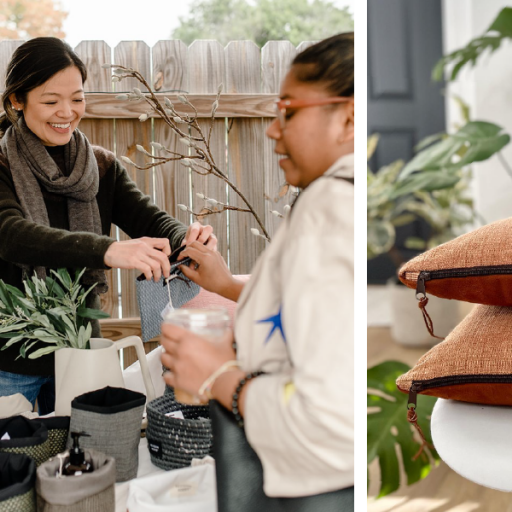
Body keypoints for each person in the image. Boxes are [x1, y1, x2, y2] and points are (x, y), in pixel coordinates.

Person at [0, 37, 214, 413]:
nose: (66, 112)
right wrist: (108, 249)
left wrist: (188, 237)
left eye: (77, 99)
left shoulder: (101, 166)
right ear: (17, 100)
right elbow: (11, 235)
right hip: (6, 358)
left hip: (82, 351)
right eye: (50, 101)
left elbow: (150, 219)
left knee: (88, 463)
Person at [159, 32, 354, 502]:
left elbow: (331, 423)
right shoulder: (332, 199)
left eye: (288, 109)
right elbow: (317, 320)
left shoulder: (331, 207)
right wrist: (226, 285)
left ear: (347, 117)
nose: (272, 128)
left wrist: (220, 377)